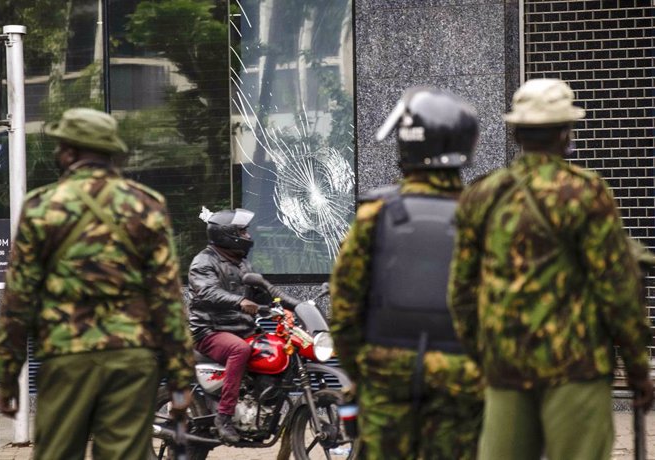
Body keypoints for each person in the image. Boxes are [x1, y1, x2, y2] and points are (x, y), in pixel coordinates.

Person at [448, 78, 655, 460]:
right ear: (565, 133)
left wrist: (483, 356)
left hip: (506, 369)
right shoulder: (587, 193)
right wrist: (638, 366)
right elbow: (617, 289)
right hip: (576, 369)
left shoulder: (483, 195)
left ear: (515, 133)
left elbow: (461, 292)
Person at [0, 108, 195, 459]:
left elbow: (18, 298)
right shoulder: (146, 205)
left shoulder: (41, 207)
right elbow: (168, 297)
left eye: (60, 147)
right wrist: (179, 376)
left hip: (66, 357)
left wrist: (7, 373)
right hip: (132, 359)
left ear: (70, 152)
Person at [330, 87, 484, 460]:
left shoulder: (376, 214)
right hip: (461, 375)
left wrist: (364, 369)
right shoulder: (484, 215)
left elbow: (344, 306)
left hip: (385, 375)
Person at [188, 207, 295, 444]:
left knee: (277, 345)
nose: (247, 236)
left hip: (241, 329)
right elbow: (208, 292)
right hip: (210, 331)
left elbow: (264, 292)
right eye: (243, 231)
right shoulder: (203, 261)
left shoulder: (241, 264)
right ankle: (224, 417)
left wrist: (292, 307)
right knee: (240, 350)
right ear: (228, 234)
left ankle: (261, 404)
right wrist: (240, 301)